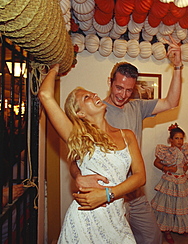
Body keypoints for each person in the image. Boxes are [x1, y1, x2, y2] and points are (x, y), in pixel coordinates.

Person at [71, 35, 183, 244]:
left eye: (129, 90)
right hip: (104, 197)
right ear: (110, 82)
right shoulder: (93, 112)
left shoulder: (137, 107)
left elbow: (171, 102)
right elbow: (75, 161)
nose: (123, 94)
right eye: (119, 87)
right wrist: (77, 177)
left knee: (152, 238)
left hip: (135, 193)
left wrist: (177, 67)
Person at [38, 64, 146, 243]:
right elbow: (45, 95)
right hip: (84, 220)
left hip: (116, 219)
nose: (95, 95)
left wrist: (108, 194)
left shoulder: (127, 135)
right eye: (86, 97)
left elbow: (140, 177)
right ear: (80, 113)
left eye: (92, 93)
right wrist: (56, 65)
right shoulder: (79, 136)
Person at [150, 123, 188, 243]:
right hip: (170, 181)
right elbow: (156, 162)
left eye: (181, 138)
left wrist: (185, 167)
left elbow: (184, 164)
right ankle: (166, 230)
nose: (179, 141)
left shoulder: (185, 150)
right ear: (171, 140)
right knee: (168, 205)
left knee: (181, 205)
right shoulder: (167, 151)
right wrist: (167, 168)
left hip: (182, 181)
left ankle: (181, 227)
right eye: (176, 138)